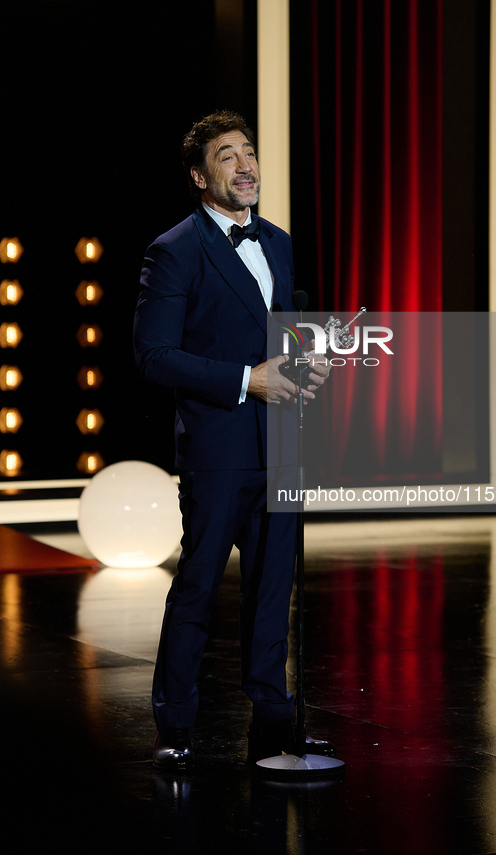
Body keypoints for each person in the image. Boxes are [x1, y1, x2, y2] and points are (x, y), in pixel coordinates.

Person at [133, 110, 332, 770]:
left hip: (283, 445)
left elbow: (284, 328)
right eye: (227, 156)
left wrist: (308, 357)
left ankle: (274, 718)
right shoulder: (175, 249)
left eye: (249, 152)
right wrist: (247, 379)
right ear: (200, 175)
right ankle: (176, 726)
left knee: (274, 587)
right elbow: (154, 355)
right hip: (219, 449)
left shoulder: (277, 241)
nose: (245, 165)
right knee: (197, 585)